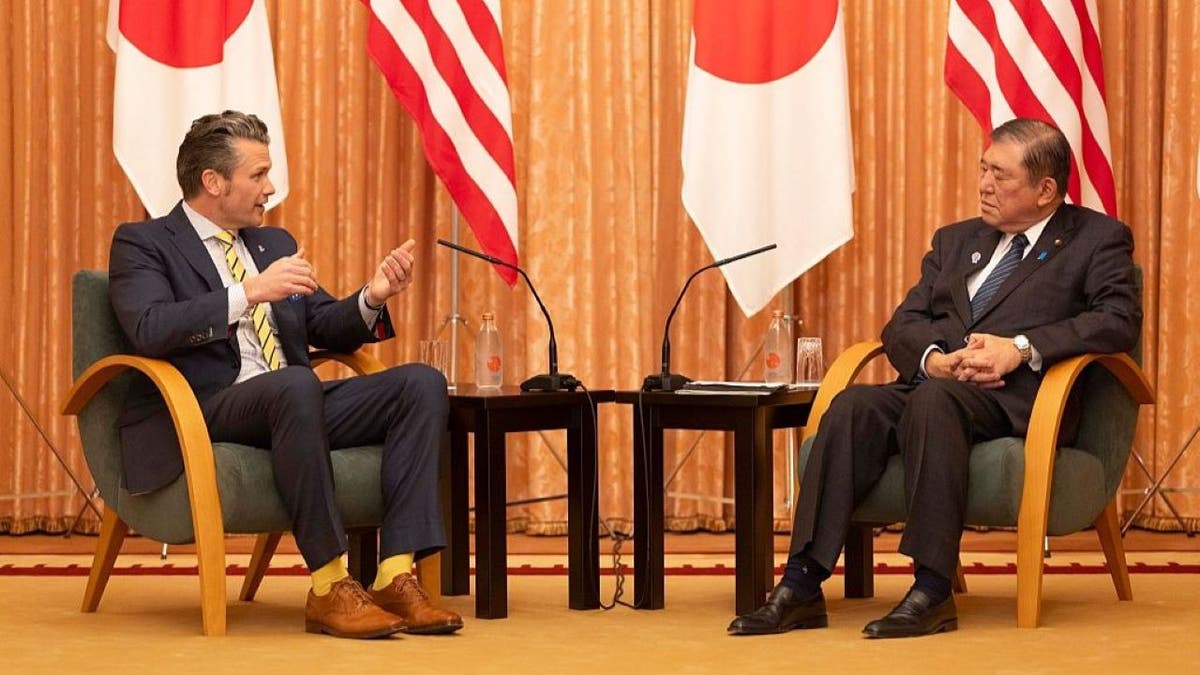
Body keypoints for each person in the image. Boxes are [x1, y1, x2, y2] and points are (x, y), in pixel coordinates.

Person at [728, 118, 1142, 638]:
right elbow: (902, 324)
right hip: (938, 383)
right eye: (983, 169)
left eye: (1000, 175)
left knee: (935, 402)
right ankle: (801, 585)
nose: (984, 184)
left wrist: (1019, 349)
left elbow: (1116, 320)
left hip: (1022, 400)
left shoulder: (1096, 239)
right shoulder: (956, 240)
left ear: (1045, 190)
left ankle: (931, 588)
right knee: (853, 406)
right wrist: (932, 360)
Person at [109, 110, 462, 639]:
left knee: (420, 383)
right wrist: (247, 292)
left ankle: (394, 574)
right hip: (204, 407)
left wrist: (372, 296)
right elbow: (149, 327)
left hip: (292, 406)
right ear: (214, 181)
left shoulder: (270, 244)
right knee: (296, 383)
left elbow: (323, 323)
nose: (270, 188)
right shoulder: (145, 243)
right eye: (258, 175)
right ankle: (329, 585)